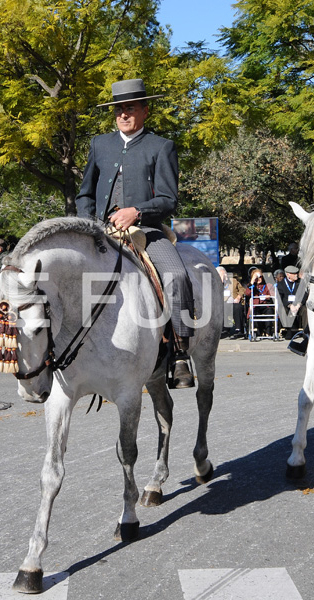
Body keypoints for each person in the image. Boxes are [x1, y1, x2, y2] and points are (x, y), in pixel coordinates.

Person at [75, 78, 194, 388]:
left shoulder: (161, 146)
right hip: (101, 231)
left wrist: (136, 212)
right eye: (118, 110)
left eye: (129, 108)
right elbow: (85, 193)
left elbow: (169, 199)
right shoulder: (100, 144)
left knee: (177, 276)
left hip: (148, 230)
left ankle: (181, 352)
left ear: (145, 110)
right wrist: (87, 224)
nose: (123, 115)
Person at [277, 265, 305, 338]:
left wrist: (298, 304)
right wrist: (290, 305)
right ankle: (289, 330)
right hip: (287, 305)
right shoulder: (281, 284)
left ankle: (306, 332)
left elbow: (304, 295)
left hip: (298, 305)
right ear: (288, 274)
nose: (296, 275)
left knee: (305, 310)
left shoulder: (300, 283)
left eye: (297, 273)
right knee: (284, 310)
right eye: (294, 274)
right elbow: (280, 297)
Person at [245, 268, 273, 339]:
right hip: (256, 306)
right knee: (254, 311)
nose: (259, 279)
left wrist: (268, 296)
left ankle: (268, 331)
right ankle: (257, 331)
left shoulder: (267, 285)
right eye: (257, 277)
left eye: (260, 277)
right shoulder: (251, 286)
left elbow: (273, 294)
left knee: (269, 311)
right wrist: (252, 281)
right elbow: (247, 293)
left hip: (265, 305)